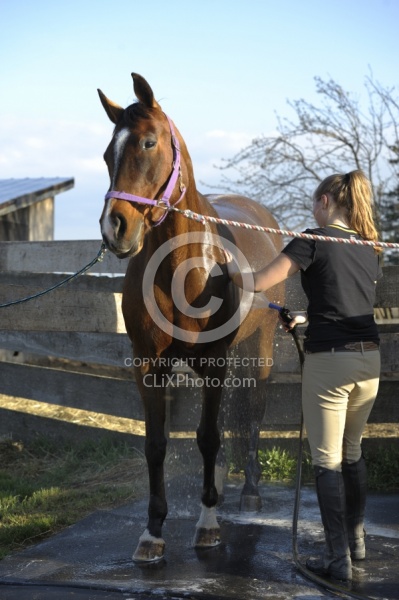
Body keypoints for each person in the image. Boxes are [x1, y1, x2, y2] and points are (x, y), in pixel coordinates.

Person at [224, 170, 382, 582]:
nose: (312, 209)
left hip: (330, 363)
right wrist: (303, 316)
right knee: (352, 452)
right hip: (369, 362)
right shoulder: (369, 247)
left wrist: (226, 268)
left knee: (326, 461)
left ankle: (336, 561)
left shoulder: (313, 239)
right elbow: (344, 302)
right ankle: (357, 543)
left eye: (315, 202)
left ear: (327, 200)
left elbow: (257, 281)